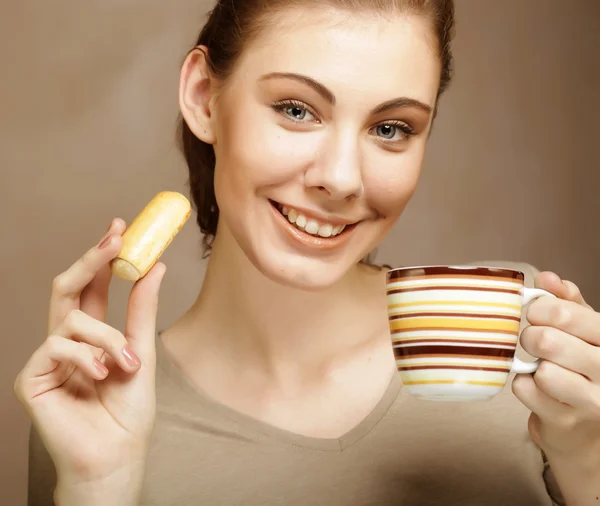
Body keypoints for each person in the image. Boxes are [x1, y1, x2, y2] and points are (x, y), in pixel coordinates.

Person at [14, 0, 600, 505]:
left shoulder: (525, 341)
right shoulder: (89, 409)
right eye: (297, 109)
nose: (342, 179)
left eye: (391, 128)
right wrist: (101, 487)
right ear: (203, 98)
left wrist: (589, 464)